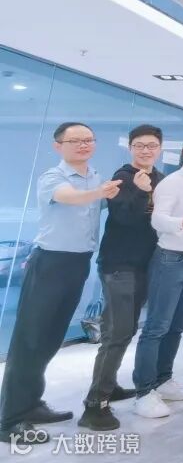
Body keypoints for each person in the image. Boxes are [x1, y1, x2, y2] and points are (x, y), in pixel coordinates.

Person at [1, 122, 121, 445]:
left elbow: (95, 202)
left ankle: (30, 404)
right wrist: (100, 193)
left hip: (77, 264)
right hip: (49, 264)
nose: (83, 144)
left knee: (51, 338)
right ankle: (9, 420)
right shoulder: (53, 177)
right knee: (29, 340)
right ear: (58, 146)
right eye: (75, 140)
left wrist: (113, 194)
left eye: (88, 139)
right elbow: (69, 198)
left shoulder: (94, 176)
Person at [78, 124, 165, 431]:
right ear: (130, 148)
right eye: (140, 145)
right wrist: (140, 192)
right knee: (118, 332)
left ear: (159, 148)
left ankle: (109, 386)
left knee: (121, 331)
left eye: (151, 145)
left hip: (143, 265)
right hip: (118, 266)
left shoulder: (160, 179)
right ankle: (94, 405)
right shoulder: (123, 177)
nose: (146, 150)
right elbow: (123, 218)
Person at [131, 132, 183, 419]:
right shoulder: (172, 182)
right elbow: (157, 219)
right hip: (170, 260)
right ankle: (144, 392)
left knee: (178, 325)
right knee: (157, 326)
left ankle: (163, 379)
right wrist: (182, 223)